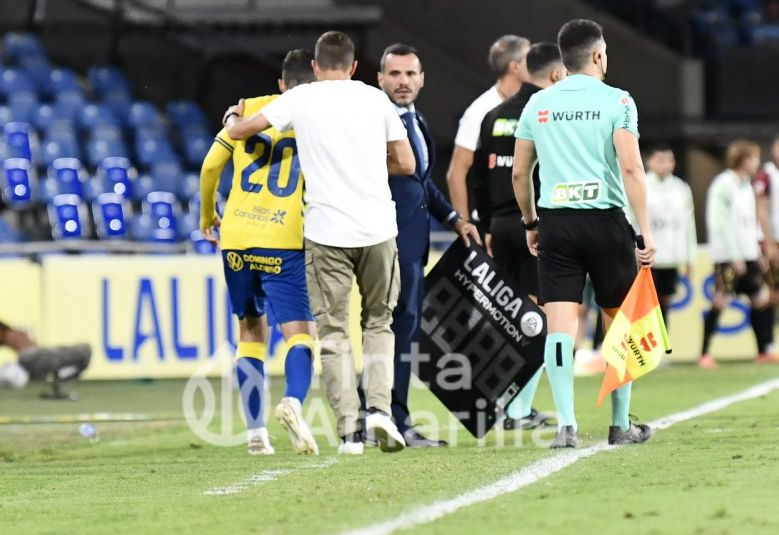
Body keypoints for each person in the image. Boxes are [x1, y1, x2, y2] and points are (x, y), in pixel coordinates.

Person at [224, 31, 416, 455]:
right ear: (352, 67)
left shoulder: (301, 99)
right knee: (379, 323)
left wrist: (231, 119)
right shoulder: (374, 98)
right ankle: (381, 412)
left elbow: (243, 133)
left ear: (314, 66)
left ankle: (349, 432)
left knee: (332, 332)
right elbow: (407, 162)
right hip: (378, 228)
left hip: (326, 233)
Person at [512, 19, 656, 448]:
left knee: (559, 329)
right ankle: (619, 425)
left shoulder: (538, 104)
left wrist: (531, 222)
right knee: (619, 326)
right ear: (597, 55)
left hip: (557, 224)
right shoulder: (619, 100)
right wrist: (644, 231)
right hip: (606, 222)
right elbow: (631, 168)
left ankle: (566, 426)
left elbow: (521, 173)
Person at [199, 49, 320, 456]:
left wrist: (207, 215)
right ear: (316, 80)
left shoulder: (249, 109)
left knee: (250, 334)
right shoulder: (319, 115)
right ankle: (294, 402)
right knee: (299, 334)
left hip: (236, 237)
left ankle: (255, 433)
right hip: (284, 239)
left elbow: (210, 168)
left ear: (282, 84)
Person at [374, 43, 481, 447]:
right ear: (380, 79)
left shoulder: (415, 119)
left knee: (399, 330)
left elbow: (420, 183)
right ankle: (393, 419)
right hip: (386, 243)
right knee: (395, 330)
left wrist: (453, 218)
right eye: (395, 74)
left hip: (414, 244)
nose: (403, 82)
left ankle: (377, 412)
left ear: (422, 79)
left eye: (410, 74)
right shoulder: (373, 123)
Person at [470, 42, 566, 431]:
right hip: (535, 226)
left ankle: (511, 405)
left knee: (512, 319)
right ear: (557, 75)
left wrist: (489, 227)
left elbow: (476, 177)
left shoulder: (493, 115)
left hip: (501, 227)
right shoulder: (548, 114)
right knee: (541, 321)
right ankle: (515, 409)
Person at [701, 140, 778, 368]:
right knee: (721, 300)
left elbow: (750, 222)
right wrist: (734, 254)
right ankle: (704, 353)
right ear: (743, 159)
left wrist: (757, 251)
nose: (757, 162)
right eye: (754, 157)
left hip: (748, 253)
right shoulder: (723, 184)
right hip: (728, 255)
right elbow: (720, 222)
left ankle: (763, 350)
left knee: (760, 299)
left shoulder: (747, 186)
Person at [446, 35, 531, 221]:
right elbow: (456, 172)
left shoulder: (534, 103)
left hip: (530, 218)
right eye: (529, 58)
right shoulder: (479, 111)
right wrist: (464, 228)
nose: (534, 63)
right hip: (494, 223)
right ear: (514, 66)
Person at [643, 144, 696, 328]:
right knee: (644, 304)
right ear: (650, 162)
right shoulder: (641, 184)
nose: (666, 164)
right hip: (645, 257)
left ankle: (660, 348)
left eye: (670, 160)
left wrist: (690, 259)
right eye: (661, 160)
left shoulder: (681, 188)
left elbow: (689, 225)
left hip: (670, 257)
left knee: (664, 302)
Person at [754, 133, 779, 353]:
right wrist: (769, 243)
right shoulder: (766, 175)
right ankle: (766, 344)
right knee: (775, 294)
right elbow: (761, 210)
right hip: (777, 245)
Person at [0, 317, 90, 397]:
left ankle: (59, 381)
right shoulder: (12, 334)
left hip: (33, 358)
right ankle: (59, 383)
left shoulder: (10, 335)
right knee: (82, 351)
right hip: (34, 357)